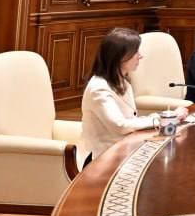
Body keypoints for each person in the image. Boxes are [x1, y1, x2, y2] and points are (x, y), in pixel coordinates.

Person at [78, 27, 184, 167]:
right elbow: (120, 125)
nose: (140, 56)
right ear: (120, 57)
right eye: (135, 52)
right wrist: (163, 119)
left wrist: (162, 118)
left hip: (123, 150)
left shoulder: (122, 81)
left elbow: (130, 121)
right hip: (101, 158)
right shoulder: (99, 88)